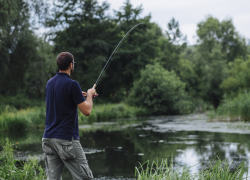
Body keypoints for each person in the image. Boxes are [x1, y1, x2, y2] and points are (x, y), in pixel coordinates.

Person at [42, 52, 96, 180]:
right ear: (71, 65)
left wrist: (77, 95)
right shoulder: (72, 84)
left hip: (48, 139)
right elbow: (87, 111)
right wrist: (89, 94)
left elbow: (63, 98)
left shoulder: (50, 83)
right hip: (66, 139)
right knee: (85, 178)